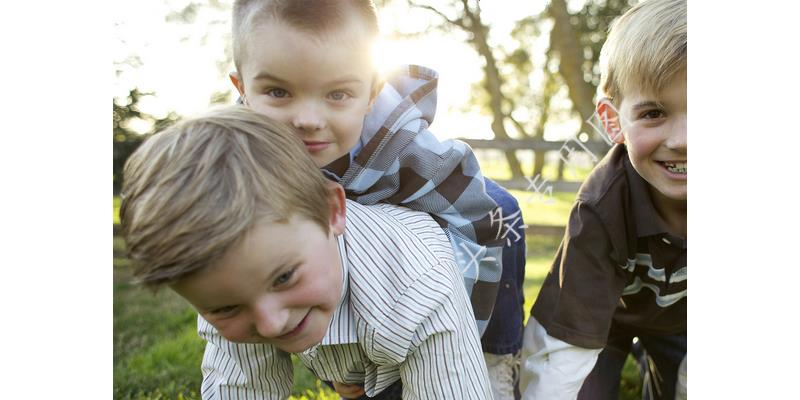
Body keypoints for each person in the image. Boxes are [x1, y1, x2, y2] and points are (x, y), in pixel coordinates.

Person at [227, 1, 526, 397]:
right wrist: (343, 364)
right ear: (242, 89)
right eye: (278, 92)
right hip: (337, 290)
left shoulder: (406, 149)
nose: (309, 119)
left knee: (503, 211)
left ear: (371, 93)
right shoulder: (232, 159)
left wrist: (457, 333)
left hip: (422, 278)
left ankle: (495, 356)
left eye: (337, 94)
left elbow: (474, 223)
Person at [119, 106, 493, 399]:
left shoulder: (420, 281)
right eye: (224, 309)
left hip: (463, 278)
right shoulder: (232, 283)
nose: (269, 324)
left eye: (284, 277)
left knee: (485, 355)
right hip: (367, 335)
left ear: (332, 212)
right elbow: (239, 389)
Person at [519, 0, 687, 399]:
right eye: (653, 113)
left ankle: (656, 365)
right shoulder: (602, 206)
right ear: (614, 121)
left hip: (683, 322)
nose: (682, 141)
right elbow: (562, 349)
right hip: (602, 320)